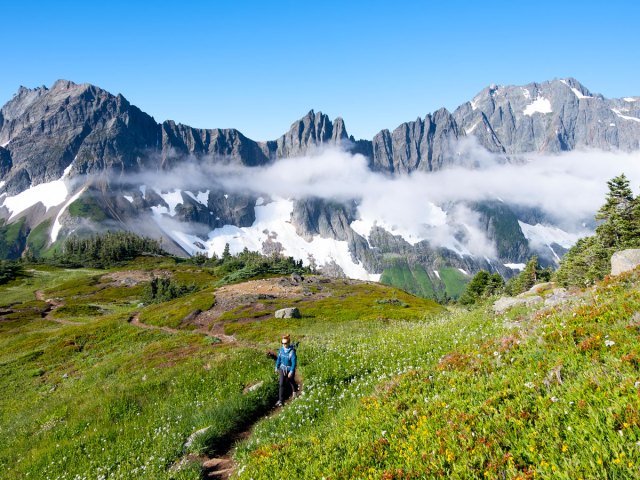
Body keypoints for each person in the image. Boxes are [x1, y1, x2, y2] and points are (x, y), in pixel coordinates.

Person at [275, 334, 298, 407]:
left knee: (291, 380)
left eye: (285, 343)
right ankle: (281, 400)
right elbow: (278, 359)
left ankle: (295, 391)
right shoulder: (281, 350)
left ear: (288, 343)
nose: (284, 345)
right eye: (282, 343)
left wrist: (291, 371)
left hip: (289, 368)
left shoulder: (292, 352)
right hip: (282, 368)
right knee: (281, 383)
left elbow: (294, 363)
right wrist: (276, 367)